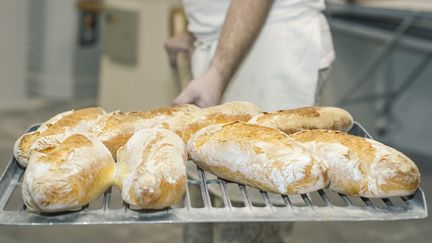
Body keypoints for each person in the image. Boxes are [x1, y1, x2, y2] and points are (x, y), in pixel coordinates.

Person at [165, 0, 334, 242]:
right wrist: (196, 28)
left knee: (247, 218)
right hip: (223, 45)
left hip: (269, 49)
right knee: (200, 203)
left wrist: (218, 73)